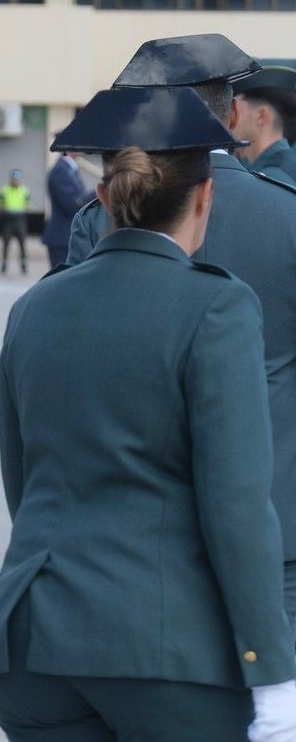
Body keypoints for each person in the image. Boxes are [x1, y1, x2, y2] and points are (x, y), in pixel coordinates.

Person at [0, 84, 296, 741]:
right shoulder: (216, 308)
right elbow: (237, 503)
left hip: (34, 642)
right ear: (204, 199)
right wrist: (272, 667)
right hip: (165, 651)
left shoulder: (37, 307)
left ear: (103, 198)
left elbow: (24, 482)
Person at [68, 33, 296, 644]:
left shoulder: (100, 218)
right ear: (231, 117)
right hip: (277, 531)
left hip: (133, 534)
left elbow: (75, 374)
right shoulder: (288, 215)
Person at [232, 66, 296, 186]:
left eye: (234, 107)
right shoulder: (284, 168)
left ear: (261, 116)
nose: (228, 115)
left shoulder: (274, 177)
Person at [40, 151, 92, 268]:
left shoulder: (70, 169)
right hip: (62, 237)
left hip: (67, 237)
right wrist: (96, 195)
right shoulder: (61, 170)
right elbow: (71, 204)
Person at [0, 169, 30, 274]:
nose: (15, 182)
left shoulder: (25, 190)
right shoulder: (4, 190)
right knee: (6, 245)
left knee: (22, 245)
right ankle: (4, 266)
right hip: (8, 220)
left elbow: (27, 205)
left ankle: (23, 266)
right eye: (14, 179)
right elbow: (0, 205)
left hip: (20, 219)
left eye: (17, 180)